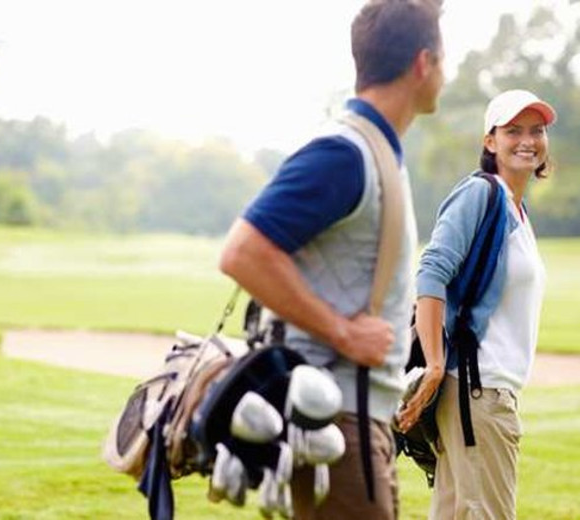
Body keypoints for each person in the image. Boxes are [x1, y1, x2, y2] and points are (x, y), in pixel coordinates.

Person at [219, 1, 445, 518]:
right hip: (337, 418)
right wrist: (342, 333)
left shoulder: (377, 151)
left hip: (359, 417)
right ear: (422, 64)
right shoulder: (346, 153)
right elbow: (242, 252)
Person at [397, 88, 556, 520]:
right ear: (490, 142)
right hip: (478, 392)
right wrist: (433, 365)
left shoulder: (515, 211)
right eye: (513, 131)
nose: (528, 140)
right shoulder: (480, 194)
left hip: (480, 392)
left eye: (537, 130)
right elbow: (431, 273)